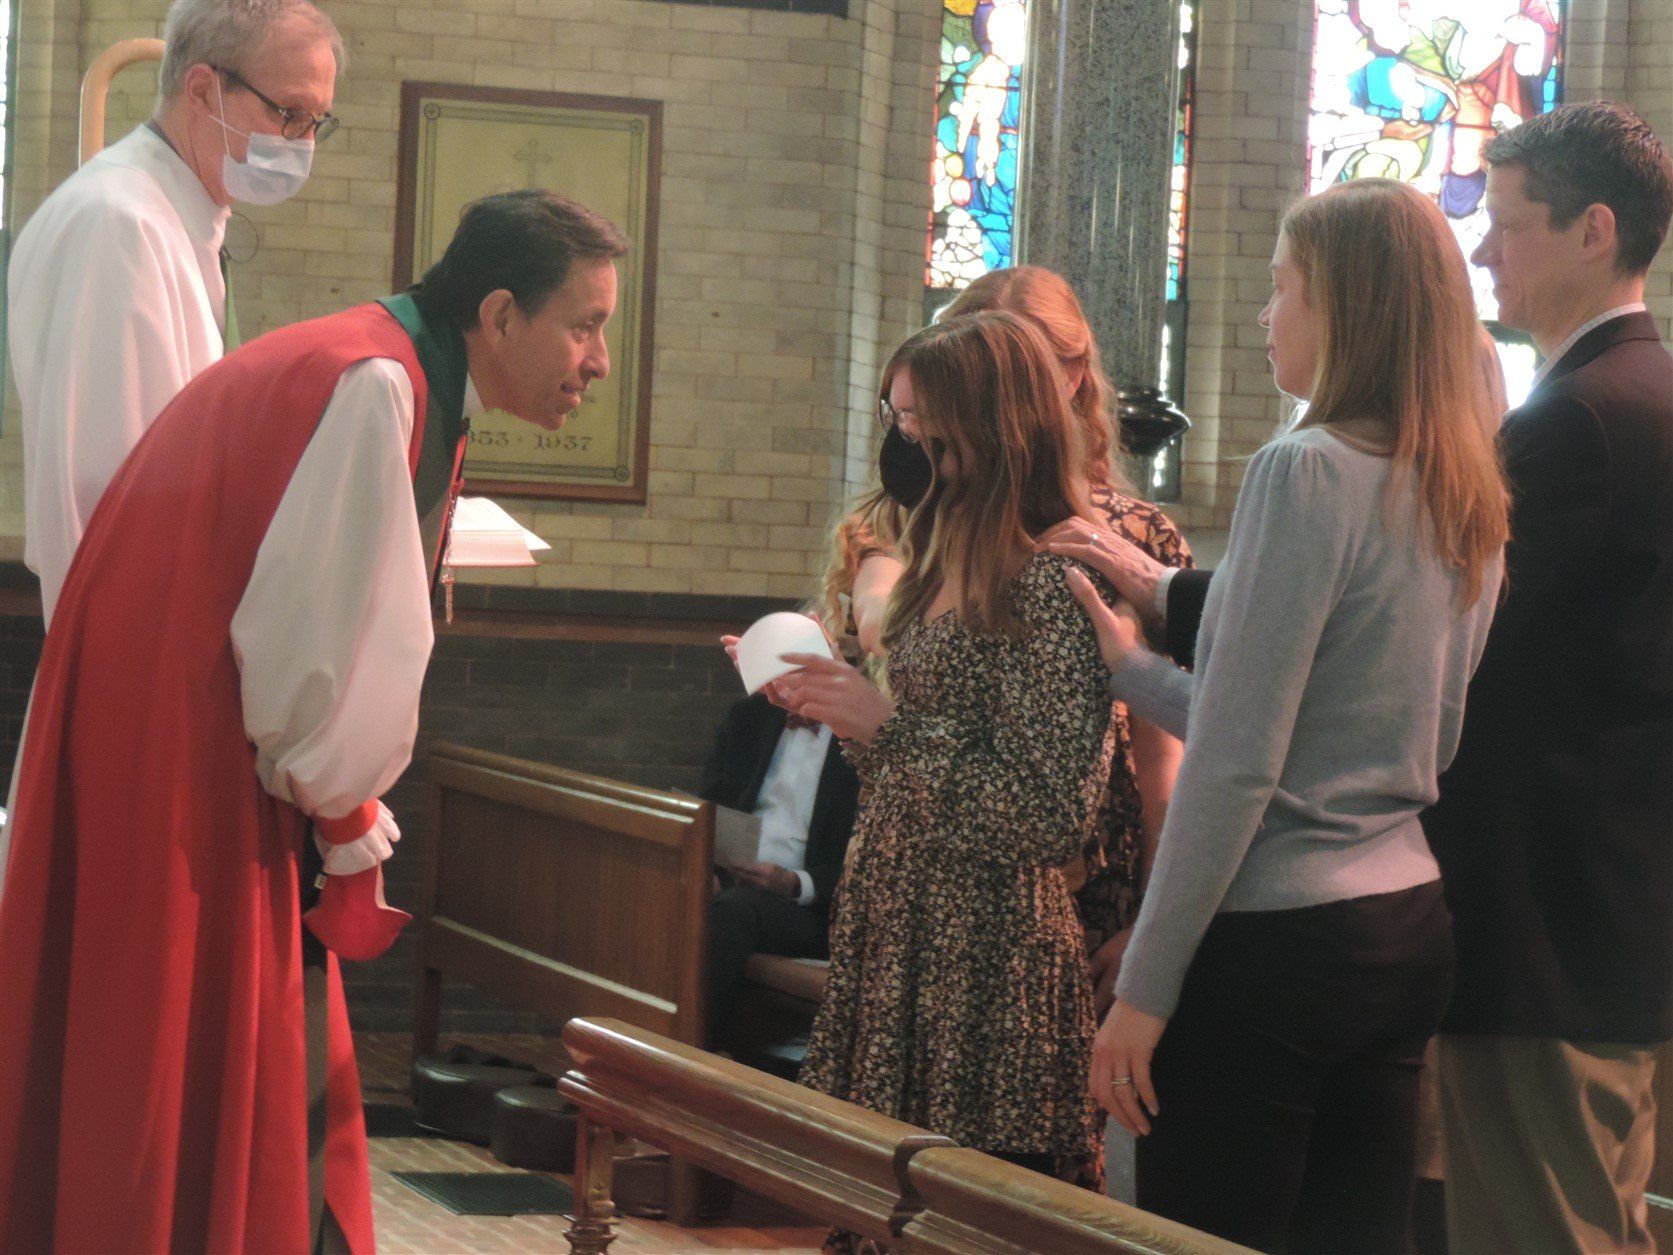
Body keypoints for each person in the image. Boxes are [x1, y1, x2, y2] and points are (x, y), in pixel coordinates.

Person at [0, 189, 626, 1254]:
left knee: (196, 1071)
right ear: (499, 314)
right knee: (190, 1075)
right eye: (585, 325)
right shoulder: (374, 382)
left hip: (168, 729)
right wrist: (346, 815)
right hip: (189, 756)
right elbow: (303, 658)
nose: (599, 360)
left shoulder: (384, 362)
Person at [1062, 178, 1509, 1253]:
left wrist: (1143, 990)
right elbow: (1364, 731)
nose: (1265, 316)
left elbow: (1235, 764)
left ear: (1342, 306)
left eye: (1279, 289)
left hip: (1276, 944)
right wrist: (1133, 669)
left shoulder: (1303, 469)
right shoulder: (1462, 482)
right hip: (1402, 921)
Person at [768, 310, 1122, 1205]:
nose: (905, 443)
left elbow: (1047, 815)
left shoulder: (1052, 581)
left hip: (987, 952)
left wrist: (886, 727)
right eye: (895, 419)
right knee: (871, 1201)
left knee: (967, 1212)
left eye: (920, 421)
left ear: (991, 425)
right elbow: (908, 765)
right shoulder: (929, 556)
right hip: (894, 925)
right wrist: (834, 704)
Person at [1424, 101, 1673, 1255]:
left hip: (1540, 925)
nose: (1482, 252)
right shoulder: (1643, 394)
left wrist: (1174, 607)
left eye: (1506, 223)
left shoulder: (1578, 418)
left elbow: (1447, 630)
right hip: (1610, 917)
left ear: (1593, 230)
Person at [854, 265, 1189, 1016]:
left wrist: (1151, 921)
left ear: (1066, 380)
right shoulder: (926, 517)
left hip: (1077, 863)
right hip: (935, 858)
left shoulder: (1116, 539)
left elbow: (1161, 752)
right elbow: (882, 630)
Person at [7, 0, 342, 628]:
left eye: (317, 122)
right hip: (132, 632)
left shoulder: (178, 216)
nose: (304, 143)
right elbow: (117, 497)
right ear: (203, 91)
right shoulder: (118, 225)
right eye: (289, 114)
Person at [700, 682, 859, 1046]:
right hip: (730, 879)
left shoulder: (860, 743)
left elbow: (866, 860)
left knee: (733, 912)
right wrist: (704, 867)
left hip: (811, 908)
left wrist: (794, 882)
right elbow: (707, 803)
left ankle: (693, 1051)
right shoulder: (749, 717)